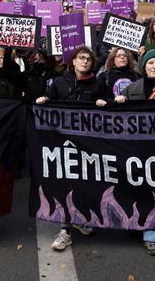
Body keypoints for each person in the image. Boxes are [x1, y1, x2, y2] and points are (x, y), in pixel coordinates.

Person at [36, 47, 106, 252]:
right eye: (81, 58)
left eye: (88, 59)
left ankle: (80, 218)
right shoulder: (59, 82)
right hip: (61, 143)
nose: (85, 62)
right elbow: (48, 102)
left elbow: (109, 107)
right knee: (64, 184)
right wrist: (43, 101)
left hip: (87, 144)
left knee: (84, 182)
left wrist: (105, 103)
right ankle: (65, 230)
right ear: (73, 61)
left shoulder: (97, 84)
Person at [113, 49, 155, 256]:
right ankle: (135, 224)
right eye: (150, 63)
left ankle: (153, 235)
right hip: (135, 148)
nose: (154, 66)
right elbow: (114, 119)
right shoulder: (131, 89)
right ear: (144, 66)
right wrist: (118, 103)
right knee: (135, 189)